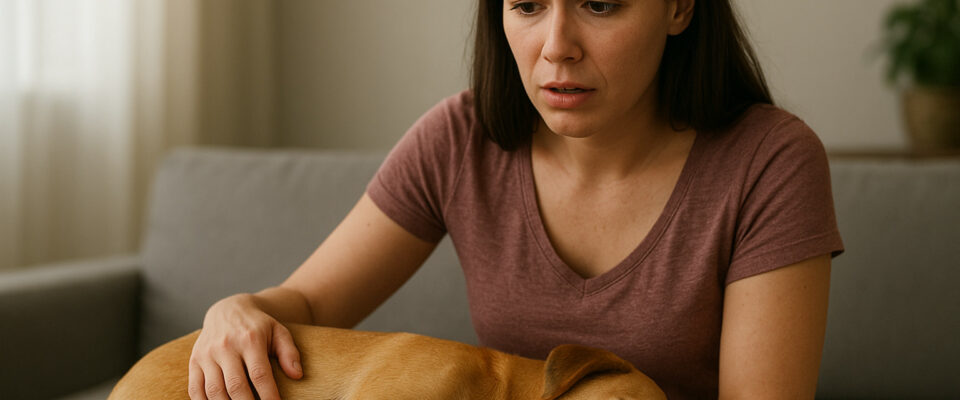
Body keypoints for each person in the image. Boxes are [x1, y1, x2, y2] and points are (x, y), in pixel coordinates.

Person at [188, 0, 844, 399]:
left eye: (601, 4)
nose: (556, 46)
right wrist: (236, 310)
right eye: (527, 5)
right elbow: (304, 306)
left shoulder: (771, 161)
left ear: (679, 7)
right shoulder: (458, 140)